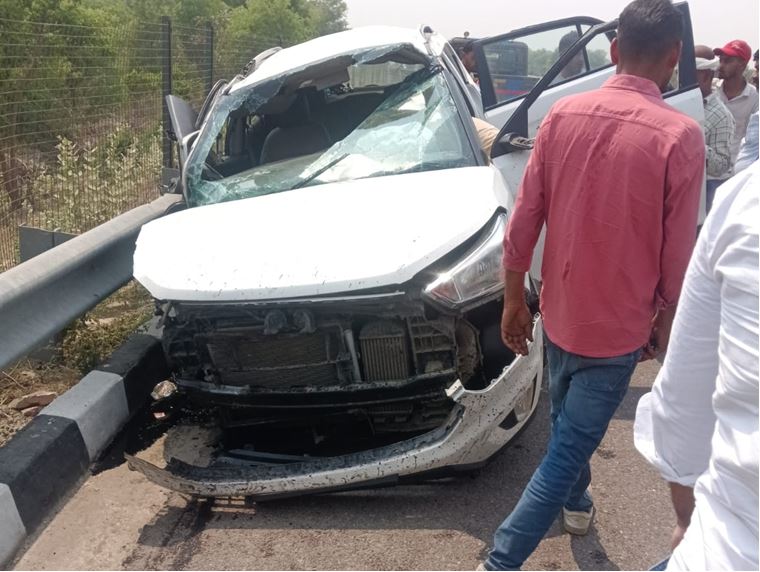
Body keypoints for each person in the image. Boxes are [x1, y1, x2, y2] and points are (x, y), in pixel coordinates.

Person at [481, 0, 705, 569]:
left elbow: (524, 217)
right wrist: (665, 319)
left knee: (566, 431)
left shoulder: (561, 115)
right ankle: (500, 562)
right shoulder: (680, 135)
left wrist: (514, 299)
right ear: (675, 56)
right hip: (617, 329)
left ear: (613, 49)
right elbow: (678, 250)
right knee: (565, 449)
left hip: (560, 312)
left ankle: (577, 502)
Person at [634, 164, 758, 571]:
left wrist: (686, 520)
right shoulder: (685, 138)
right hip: (623, 313)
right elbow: (678, 237)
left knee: (568, 423)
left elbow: (683, 408)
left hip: (729, 551)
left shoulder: (746, 201)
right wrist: (663, 315)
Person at [694, 48, 735, 210]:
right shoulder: (681, 101)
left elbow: (721, 166)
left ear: (706, 76)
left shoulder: (721, 115)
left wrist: (694, 142)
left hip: (708, 189)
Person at [715, 40, 759, 163]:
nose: (721, 66)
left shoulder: (755, 98)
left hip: (736, 169)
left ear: (742, 65)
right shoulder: (711, 90)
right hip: (708, 168)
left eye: (727, 61)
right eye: (720, 60)